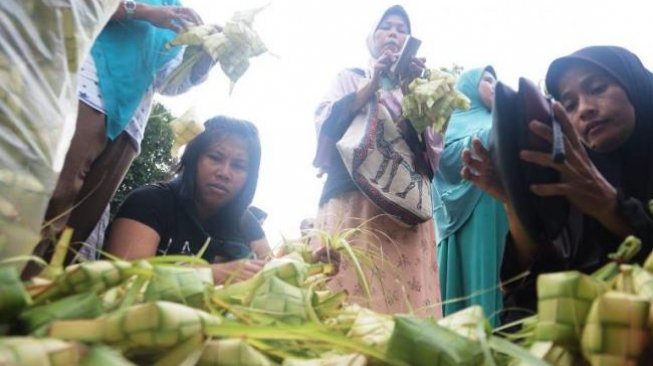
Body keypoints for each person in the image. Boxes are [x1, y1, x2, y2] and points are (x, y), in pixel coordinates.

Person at [461, 46, 653, 322]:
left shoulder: (587, 182)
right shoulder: (572, 177)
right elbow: (536, 286)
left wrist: (609, 205)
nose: (585, 109)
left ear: (633, 85)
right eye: (570, 104)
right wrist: (513, 203)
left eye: (597, 88)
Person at [34, 0, 216, 266]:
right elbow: (76, 8)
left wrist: (204, 58)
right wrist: (144, 12)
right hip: (85, 95)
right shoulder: (162, 11)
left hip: (130, 127)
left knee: (76, 229)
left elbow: (165, 82)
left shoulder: (177, 13)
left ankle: (34, 293)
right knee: (49, 202)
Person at [312, 5, 441, 317]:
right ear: (372, 37)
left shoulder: (421, 90)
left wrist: (413, 91)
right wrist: (372, 83)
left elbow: (433, 150)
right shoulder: (349, 78)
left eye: (401, 28)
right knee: (346, 289)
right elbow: (326, 125)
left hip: (404, 206)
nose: (395, 33)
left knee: (402, 301)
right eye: (386, 27)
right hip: (354, 200)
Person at [105, 116, 272, 284]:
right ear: (194, 158)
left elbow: (270, 269)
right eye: (215, 157)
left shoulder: (246, 223)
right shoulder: (149, 202)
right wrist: (212, 274)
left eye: (238, 166)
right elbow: (125, 279)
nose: (224, 173)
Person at [433, 66, 508, 325]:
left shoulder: (502, 118)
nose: (495, 84)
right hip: (472, 219)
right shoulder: (455, 122)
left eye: (497, 80)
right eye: (487, 80)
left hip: (506, 215)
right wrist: (493, 134)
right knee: (479, 284)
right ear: (467, 88)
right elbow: (447, 160)